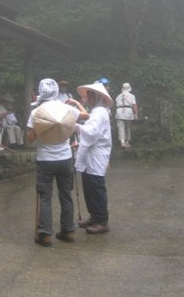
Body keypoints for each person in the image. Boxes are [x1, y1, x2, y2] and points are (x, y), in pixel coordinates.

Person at [27, 79, 89, 247]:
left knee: (45, 197)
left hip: (45, 159)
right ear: (56, 91)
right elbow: (86, 116)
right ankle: (68, 230)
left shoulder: (36, 112)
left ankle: (45, 234)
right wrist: (76, 102)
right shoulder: (65, 108)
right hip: (65, 158)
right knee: (66, 195)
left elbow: (31, 138)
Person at [70, 82, 114, 234]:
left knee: (96, 187)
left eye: (89, 95)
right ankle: (95, 216)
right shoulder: (97, 111)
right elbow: (92, 134)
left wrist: (73, 126)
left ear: (96, 96)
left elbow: (91, 133)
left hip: (96, 156)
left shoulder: (100, 112)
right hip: (91, 155)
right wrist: (80, 142)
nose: (87, 98)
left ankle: (102, 220)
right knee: (89, 187)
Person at [115, 83, 138, 148]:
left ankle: (122, 142)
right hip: (128, 111)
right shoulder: (132, 96)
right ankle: (127, 141)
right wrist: (136, 114)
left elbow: (116, 104)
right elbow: (134, 105)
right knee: (128, 127)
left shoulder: (118, 96)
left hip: (119, 111)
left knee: (120, 127)